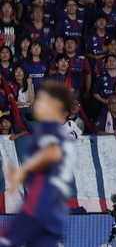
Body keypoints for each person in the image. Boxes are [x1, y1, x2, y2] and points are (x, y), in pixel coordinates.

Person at [1, 81, 75, 247]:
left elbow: (52, 153)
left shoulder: (51, 130)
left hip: (39, 206)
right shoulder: (57, 132)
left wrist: (23, 170)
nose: (37, 104)